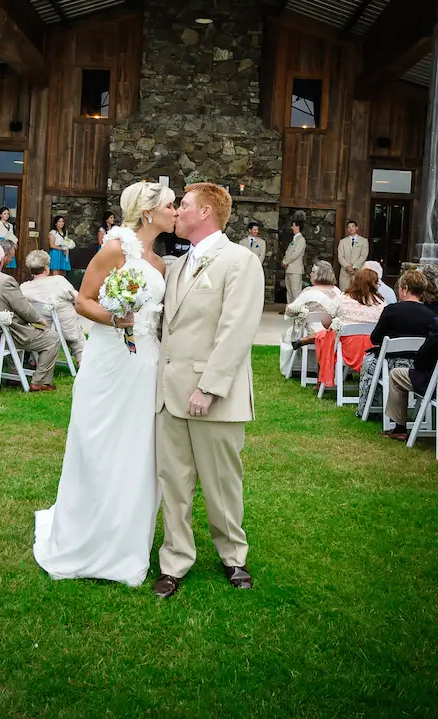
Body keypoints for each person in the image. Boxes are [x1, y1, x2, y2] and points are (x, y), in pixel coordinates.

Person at [33, 181, 176, 586]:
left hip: (146, 359)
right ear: (148, 212)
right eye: (170, 204)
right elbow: (83, 300)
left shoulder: (160, 262)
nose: (175, 210)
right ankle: (87, 536)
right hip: (111, 357)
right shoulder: (116, 248)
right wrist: (116, 318)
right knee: (99, 441)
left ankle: (126, 540)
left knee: (138, 446)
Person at [153, 183, 265, 599]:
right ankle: (174, 561)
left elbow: (236, 331)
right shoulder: (179, 265)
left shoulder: (241, 261)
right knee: (174, 483)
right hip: (169, 395)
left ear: (205, 213)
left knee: (221, 483)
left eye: (182, 206)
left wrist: (209, 387)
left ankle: (234, 556)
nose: (177, 213)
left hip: (210, 395)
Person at [0, 243, 59, 392]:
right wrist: (39, 320)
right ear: (1, 261)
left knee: (16, 328)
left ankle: (13, 376)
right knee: (52, 338)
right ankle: (40, 381)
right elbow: (24, 308)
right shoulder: (5, 281)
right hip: (1, 335)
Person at [357, 270, 436, 417]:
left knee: (369, 361)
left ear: (405, 289)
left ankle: (367, 408)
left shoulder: (391, 310)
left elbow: (375, 338)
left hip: (389, 363)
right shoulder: (431, 316)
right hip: (417, 365)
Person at [315, 268, 386, 389]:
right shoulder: (381, 303)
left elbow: (325, 322)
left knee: (322, 337)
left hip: (346, 347)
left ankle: (321, 380)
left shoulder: (342, 298)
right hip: (371, 349)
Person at [20, 250, 85, 365]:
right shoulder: (59, 280)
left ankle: (34, 359)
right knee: (74, 329)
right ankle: (81, 361)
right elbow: (76, 298)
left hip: (41, 330)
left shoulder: (24, 288)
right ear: (46, 268)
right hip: (67, 329)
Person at [280, 261, 341, 377]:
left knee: (288, 333)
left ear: (320, 275)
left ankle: (297, 368)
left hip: (312, 332)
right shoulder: (337, 292)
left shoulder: (309, 292)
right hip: (333, 334)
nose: (310, 274)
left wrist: (288, 306)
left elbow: (291, 311)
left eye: (313, 272)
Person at [383, 315, 438, 440]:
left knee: (396, 374)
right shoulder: (428, 314)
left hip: (434, 384)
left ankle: (399, 428)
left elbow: (423, 357)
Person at [281, 211, 306, 304]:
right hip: (290, 268)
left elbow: (295, 254)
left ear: (298, 227)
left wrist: (285, 261)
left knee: (296, 291)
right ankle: (290, 309)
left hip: (295, 269)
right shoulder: (295, 239)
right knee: (289, 291)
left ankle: (297, 309)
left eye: (293, 226)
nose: (292, 227)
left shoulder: (301, 239)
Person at [337, 220, 369, 291]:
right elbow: (340, 256)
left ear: (356, 228)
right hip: (345, 272)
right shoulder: (342, 242)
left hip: (358, 271)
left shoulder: (364, 241)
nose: (351, 228)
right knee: (344, 294)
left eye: (353, 226)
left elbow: (363, 255)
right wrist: (347, 266)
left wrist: (354, 266)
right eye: (349, 227)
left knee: (357, 293)